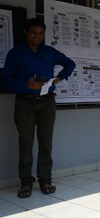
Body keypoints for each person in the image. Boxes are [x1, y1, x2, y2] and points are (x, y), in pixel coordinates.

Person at [2, 18, 76, 198]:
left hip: (47, 102)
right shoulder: (16, 53)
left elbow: (70, 63)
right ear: (26, 33)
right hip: (25, 102)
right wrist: (26, 86)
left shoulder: (49, 52)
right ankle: (26, 182)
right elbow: (6, 80)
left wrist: (60, 78)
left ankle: (45, 179)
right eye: (33, 32)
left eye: (41, 33)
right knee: (25, 143)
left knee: (46, 143)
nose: (37, 36)